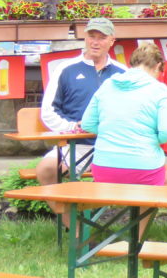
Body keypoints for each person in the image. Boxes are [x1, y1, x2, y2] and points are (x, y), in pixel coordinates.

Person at [80, 43, 167, 232]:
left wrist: (112, 130)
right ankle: (138, 241)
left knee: (155, 164)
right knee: (153, 165)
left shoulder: (107, 85)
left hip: (104, 168)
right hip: (142, 169)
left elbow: (87, 123)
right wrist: (149, 139)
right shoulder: (159, 90)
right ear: (157, 67)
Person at [35, 17, 126, 222]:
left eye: (101, 38)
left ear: (112, 41)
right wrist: (71, 127)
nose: (95, 42)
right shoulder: (65, 69)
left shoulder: (123, 73)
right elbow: (48, 111)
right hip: (76, 146)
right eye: (91, 36)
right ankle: (75, 230)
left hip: (115, 146)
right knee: (46, 169)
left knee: (154, 169)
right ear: (84, 38)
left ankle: (137, 238)